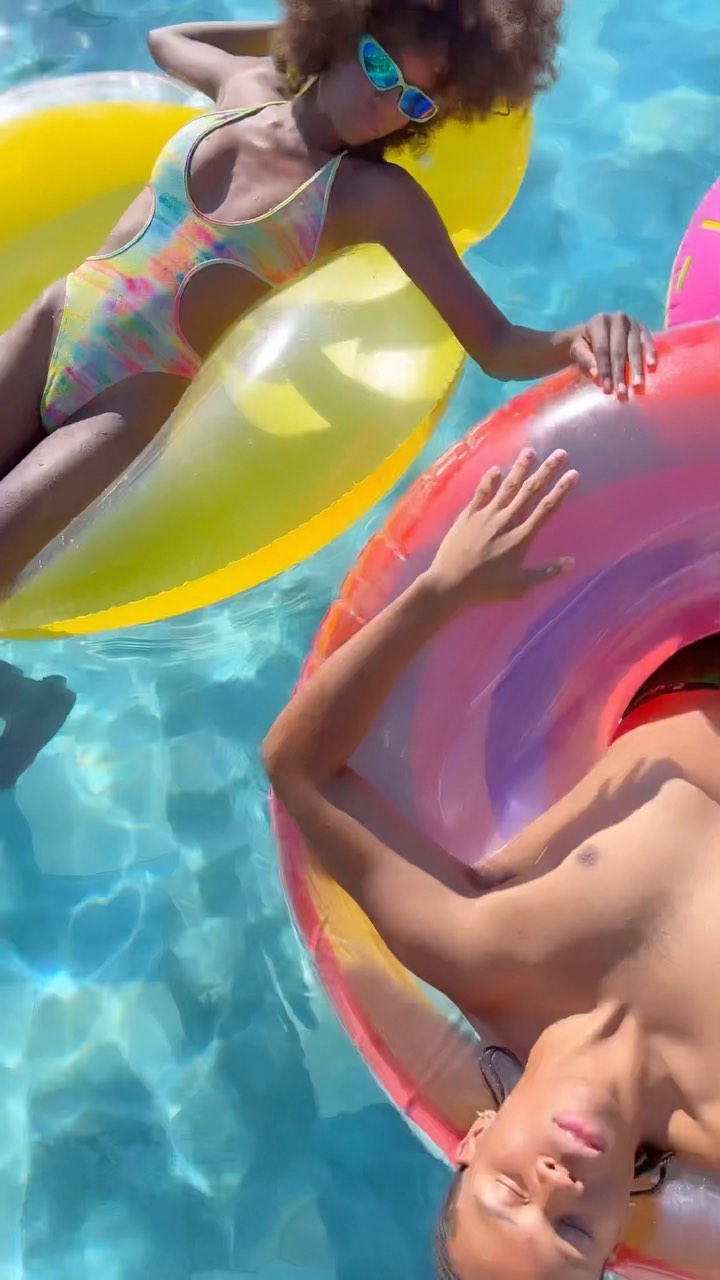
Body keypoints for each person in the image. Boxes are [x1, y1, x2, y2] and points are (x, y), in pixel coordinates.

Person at [0, 0, 655, 593]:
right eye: (380, 66)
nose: (385, 103)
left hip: (130, 399)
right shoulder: (245, 88)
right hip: (55, 321)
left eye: (416, 101)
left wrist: (580, 338)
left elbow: (496, 345)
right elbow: (167, 39)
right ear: (344, 27)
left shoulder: (373, 197)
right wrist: (301, 28)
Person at [264, 445, 720, 1279]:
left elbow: (300, 770)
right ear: (615, 1236)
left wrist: (443, 591)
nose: (556, 1184)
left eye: (509, 1191)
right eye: (572, 1232)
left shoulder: (476, 947)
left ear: (473, 1140)